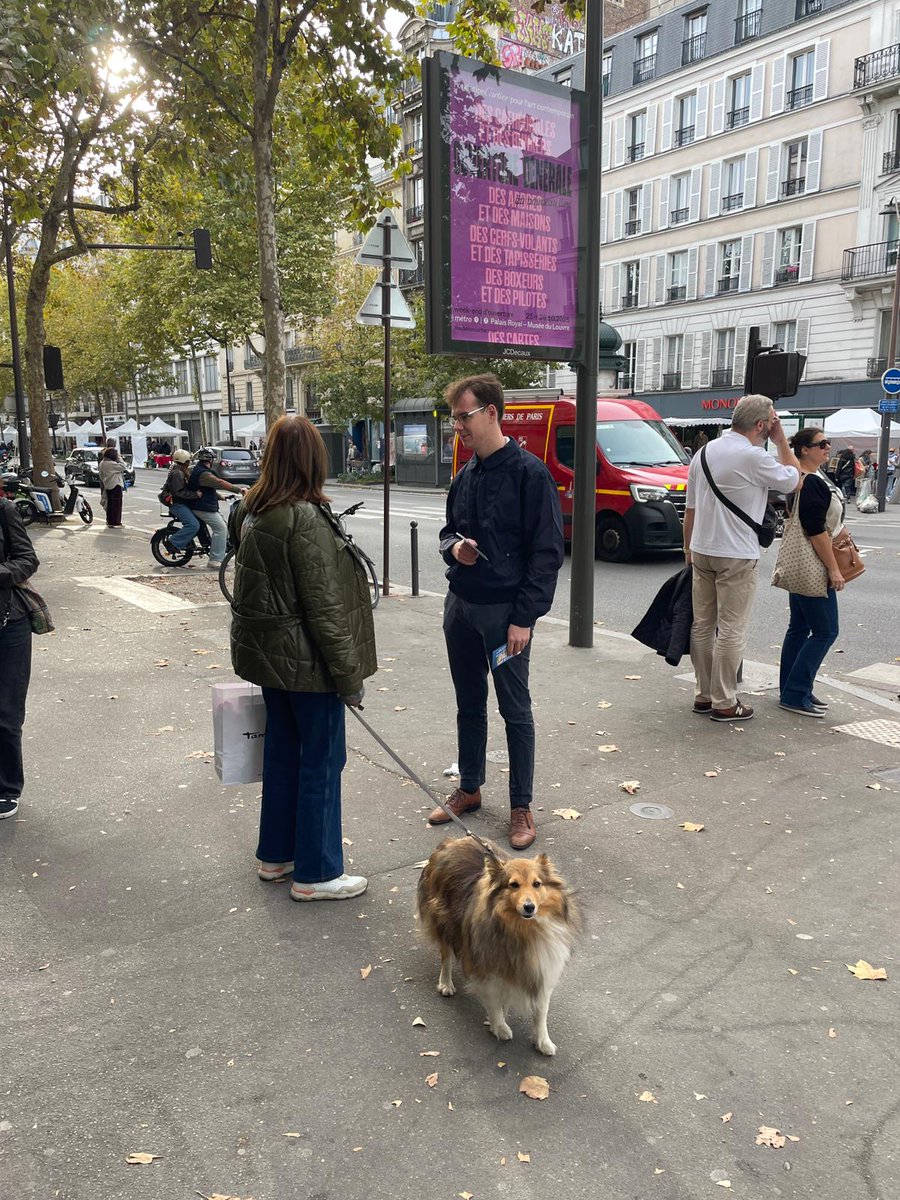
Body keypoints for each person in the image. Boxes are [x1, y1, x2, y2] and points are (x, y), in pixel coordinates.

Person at [229, 415, 377, 900]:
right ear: (314, 458)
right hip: (308, 665)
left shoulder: (252, 510)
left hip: (269, 660)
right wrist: (349, 676)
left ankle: (276, 856)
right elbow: (326, 610)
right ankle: (317, 874)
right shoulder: (305, 518)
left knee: (283, 756)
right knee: (321, 762)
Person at [431, 373, 564, 850]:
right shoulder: (466, 474)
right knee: (469, 702)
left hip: (504, 616)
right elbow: (447, 531)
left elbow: (547, 554)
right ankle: (470, 787)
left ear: (491, 412)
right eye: (453, 419)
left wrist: (524, 618)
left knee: (515, 710)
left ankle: (521, 807)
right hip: (461, 608)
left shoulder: (530, 474)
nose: (458, 428)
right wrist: (455, 550)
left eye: (463, 417)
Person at [682, 394, 800, 723]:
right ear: (761, 425)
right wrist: (781, 442)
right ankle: (724, 700)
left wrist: (688, 550)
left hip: (703, 549)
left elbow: (690, 511)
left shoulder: (703, 453)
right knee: (732, 628)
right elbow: (795, 479)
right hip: (736, 553)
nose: (774, 427)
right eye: (772, 422)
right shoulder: (752, 457)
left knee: (703, 625)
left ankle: (703, 694)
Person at [778, 428, 846, 718]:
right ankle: (795, 693)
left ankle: (792, 688)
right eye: (822, 444)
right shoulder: (813, 483)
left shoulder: (801, 479)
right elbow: (815, 530)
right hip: (813, 566)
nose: (827, 448)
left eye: (828, 443)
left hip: (800, 565)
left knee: (799, 628)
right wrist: (834, 569)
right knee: (826, 630)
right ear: (805, 449)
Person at [0, 497, 39, 819]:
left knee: (6, 713)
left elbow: (27, 560)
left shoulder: (4, 510)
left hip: (7, 623)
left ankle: (6, 787)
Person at [186, 448, 245, 569]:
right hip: (202, 507)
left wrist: (220, 497)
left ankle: (219, 552)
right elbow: (220, 483)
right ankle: (215, 560)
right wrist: (239, 490)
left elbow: (207, 489)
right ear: (211, 460)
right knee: (221, 528)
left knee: (224, 526)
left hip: (204, 506)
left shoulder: (200, 471)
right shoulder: (204, 473)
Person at [161, 449, 201, 553]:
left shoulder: (181, 470)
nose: (190, 463)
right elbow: (178, 492)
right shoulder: (178, 473)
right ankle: (172, 542)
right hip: (177, 504)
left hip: (182, 503)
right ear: (184, 462)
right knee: (193, 525)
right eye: (188, 461)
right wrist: (195, 495)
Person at [98, 446, 126, 527]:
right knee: (116, 504)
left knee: (110, 504)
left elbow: (101, 475)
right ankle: (115, 522)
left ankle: (109, 521)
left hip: (108, 484)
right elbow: (123, 466)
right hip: (115, 485)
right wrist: (119, 458)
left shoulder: (102, 463)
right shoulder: (110, 464)